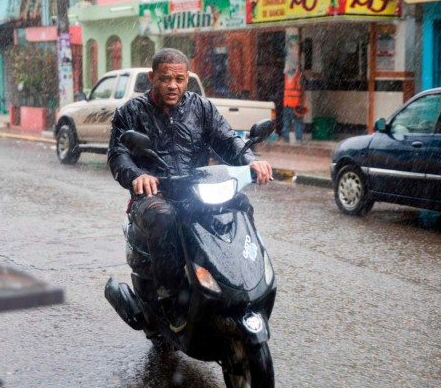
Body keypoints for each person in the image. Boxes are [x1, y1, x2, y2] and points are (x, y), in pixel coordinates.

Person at [107, 48, 272, 330]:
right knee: (163, 217)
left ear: (187, 79)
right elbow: (118, 154)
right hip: (154, 196)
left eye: (180, 79)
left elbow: (228, 140)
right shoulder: (131, 112)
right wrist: (137, 175)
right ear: (152, 77)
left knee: (240, 205)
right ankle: (169, 299)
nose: (173, 85)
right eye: (166, 78)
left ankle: (246, 279)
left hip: (195, 191)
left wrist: (250, 161)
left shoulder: (202, 108)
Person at [282, 68, 307, 142]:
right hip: (296, 105)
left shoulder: (286, 75)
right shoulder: (299, 76)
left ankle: (286, 139)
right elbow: (303, 91)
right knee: (298, 122)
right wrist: (302, 104)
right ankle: (299, 139)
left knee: (286, 122)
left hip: (287, 104)